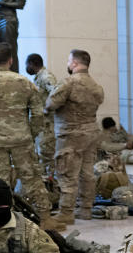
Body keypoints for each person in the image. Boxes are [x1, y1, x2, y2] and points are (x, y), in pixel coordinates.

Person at [0, 42, 61, 229]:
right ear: (11, 60)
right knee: (32, 177)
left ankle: (2, 219)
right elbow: (38, 112)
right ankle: (45, 217)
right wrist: (31, 133)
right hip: (22, 139)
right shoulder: (25, 82)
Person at [45, 49, 105, 223]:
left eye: (69, 60)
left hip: (70, 135)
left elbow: (50, 103)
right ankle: (85, 208)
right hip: (91, 133)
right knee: (87, 173)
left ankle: (66, 212)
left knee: (66, 173)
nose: (68, 63)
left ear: (74, 63)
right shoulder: (96, 86)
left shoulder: (68, 83)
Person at [25, 53, 58, 174]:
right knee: (42, 154)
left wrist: (46, 109)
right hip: (41, 124)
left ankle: (52, 184)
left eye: (26, 65)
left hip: (47, 125)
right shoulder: (39, 77)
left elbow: (56, 94)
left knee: (47, 155)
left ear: (31, 64)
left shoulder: (46, 76)